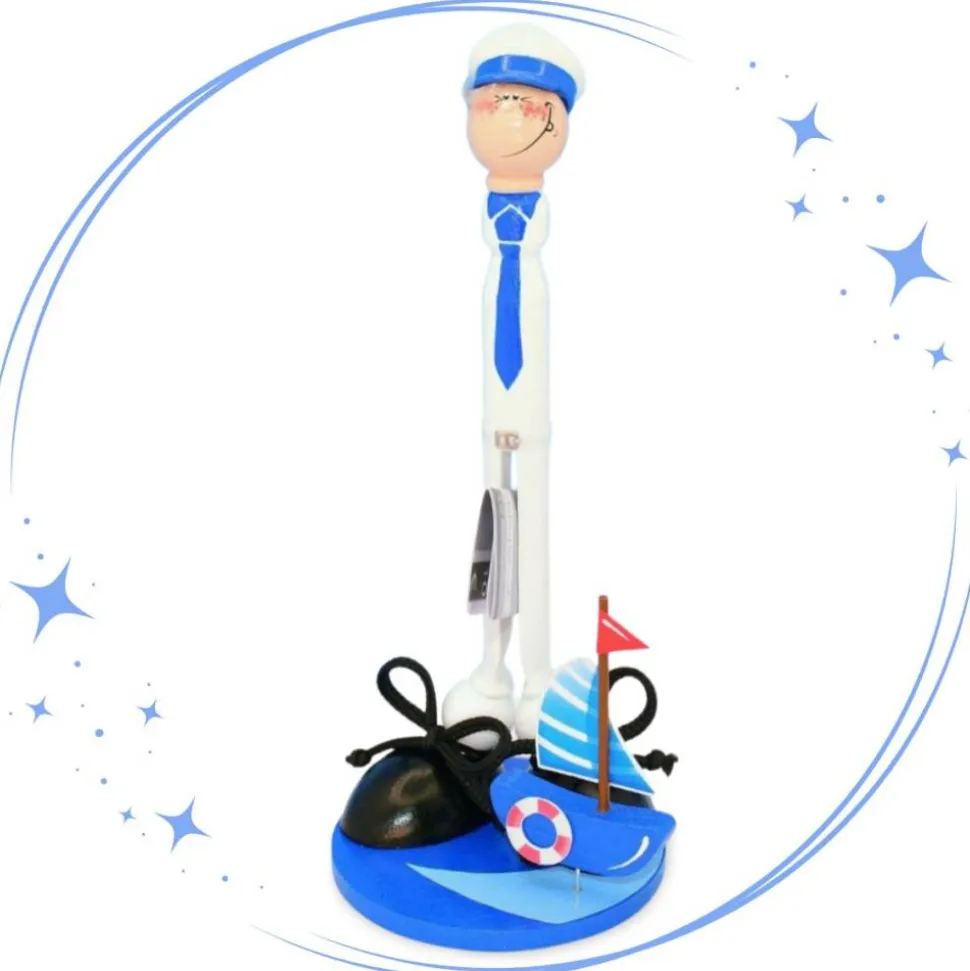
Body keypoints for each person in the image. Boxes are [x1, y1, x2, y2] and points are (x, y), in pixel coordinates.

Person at [443, 24, 585, 745]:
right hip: (493, 413)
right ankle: (490, 671)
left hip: (532, 410)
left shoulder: (532, 251)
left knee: (535, 534)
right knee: (494, 532)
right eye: (493, 101)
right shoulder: (489, 246)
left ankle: (538, 676)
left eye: (528, 105)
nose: (509, 116)